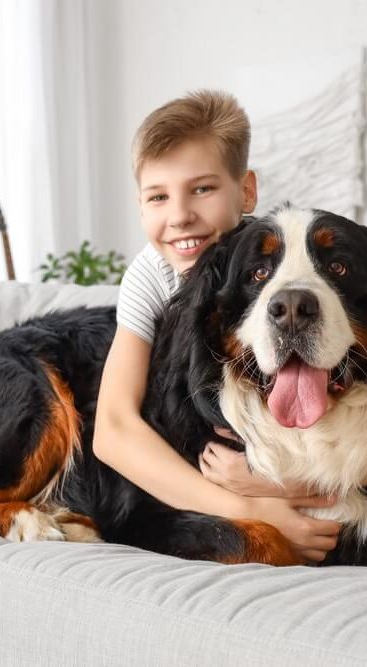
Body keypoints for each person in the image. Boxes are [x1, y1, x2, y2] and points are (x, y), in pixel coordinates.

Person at [92, 89, 340, 563]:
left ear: (246, 191)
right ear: (141, 206)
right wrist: (249, 508)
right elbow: (114, 427)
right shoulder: (150, 274)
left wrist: (276, 483)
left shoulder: (288, 261)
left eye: (202, 189)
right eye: (158, 196)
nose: (180, 215)